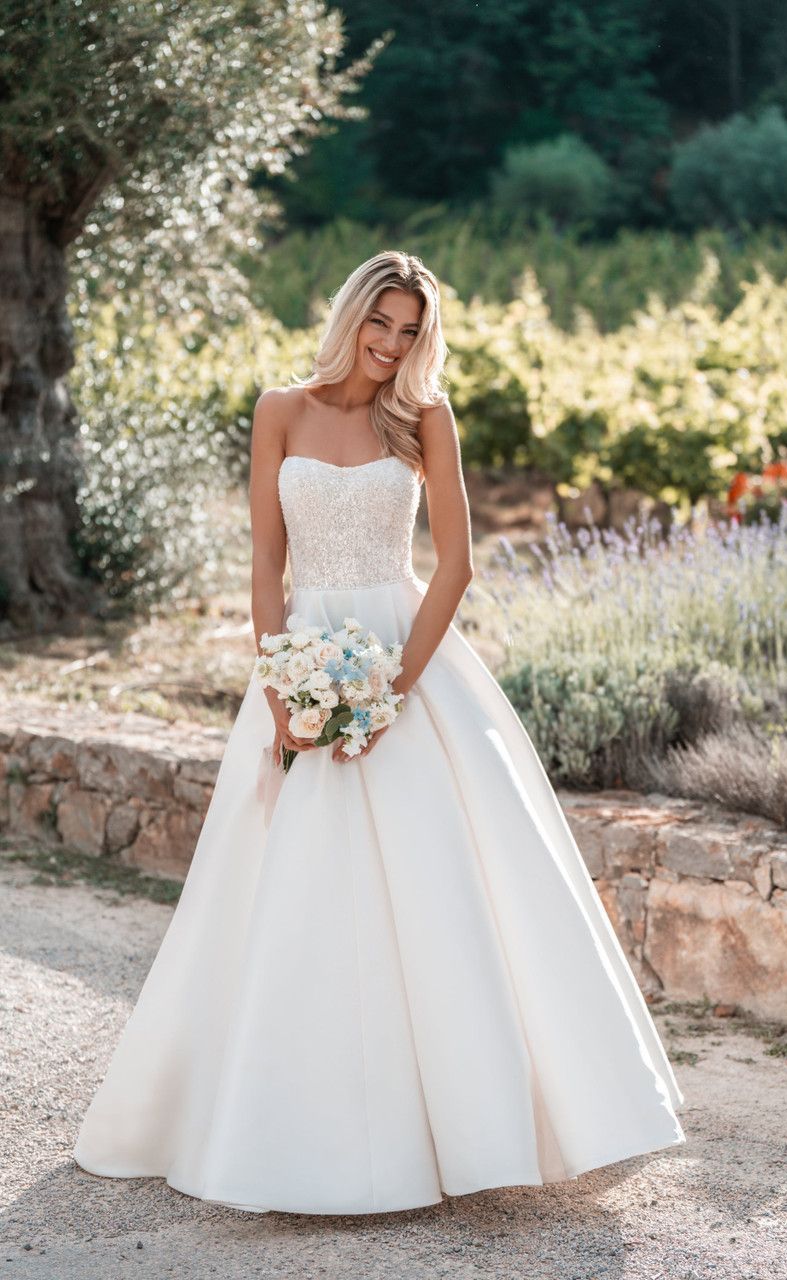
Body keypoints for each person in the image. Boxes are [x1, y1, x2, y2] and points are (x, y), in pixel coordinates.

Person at [73, 250, 686, 1215]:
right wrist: (283, 689)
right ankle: (273, 1129)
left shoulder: (425, 419)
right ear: (353, 314)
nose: (393, 344)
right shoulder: (280, 409)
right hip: (302, 656)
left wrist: (394, 690)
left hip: (408, 658)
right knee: (286, 884)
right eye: (381, 323)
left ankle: (473, 1127)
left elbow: (455, 569)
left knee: (448, 884)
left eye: (411, 331)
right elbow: (265, 569)